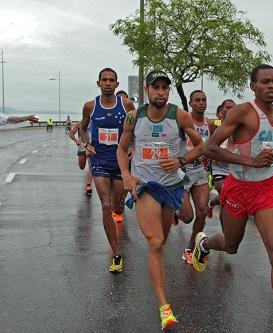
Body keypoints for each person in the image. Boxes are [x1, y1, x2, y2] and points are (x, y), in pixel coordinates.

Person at [193, 64, 273, 333]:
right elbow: (210, 148)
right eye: (265, 82)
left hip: (268, 188)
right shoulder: (242, 112)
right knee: (231, 246)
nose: (271, 86)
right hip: (238, 188)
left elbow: (270, 144)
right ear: (253, 86)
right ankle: (204, 244)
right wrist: (250, 160)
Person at [117, 70, 203, 330]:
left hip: (172, 185)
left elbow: (201, 146)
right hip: (145, 186)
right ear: (147, 90)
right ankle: (165, 306)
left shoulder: (179, 115)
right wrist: (127, 175)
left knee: (163, 240)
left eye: (165, 88)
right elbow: (122, 149)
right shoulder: (134, 117)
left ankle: (179, 223)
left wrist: (180, 160)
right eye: (156, 87)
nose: (161, 92)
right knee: (155, 243)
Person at [79, 68, 135, 273]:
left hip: (120, 161)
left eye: (112, 80)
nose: (108, 83)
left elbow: (135, 128)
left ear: (117, 84)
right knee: (105, 204)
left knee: (118, 208)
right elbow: (83, 128)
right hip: (100, 160)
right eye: (105, 80)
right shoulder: (90, 106)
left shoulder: (127, 105)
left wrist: (134, 147)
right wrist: (86, 145)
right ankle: (116, 252)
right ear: (98, 83)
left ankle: (118, 210)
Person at [176, 90, 215, 265]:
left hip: (199, 171)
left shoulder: (210, 124)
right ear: (190, 103)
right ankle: (175, 210)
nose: (201, 103)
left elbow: (212, 145)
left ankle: (190, 248)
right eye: (197, 100)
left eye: (204, 100)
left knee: (202, 211)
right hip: (182, 173)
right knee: (187, 216)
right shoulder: (183, 120)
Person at [208, 99, 236, 217]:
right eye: (227, 107)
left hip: (234, 169)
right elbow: (208, 145)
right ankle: (226, 233)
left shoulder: (240, 127)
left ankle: (211, 203)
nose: (230, 110)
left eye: (233, 107)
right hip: (219, 169)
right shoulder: (214, 125)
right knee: (227, 198)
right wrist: (214, 155)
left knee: (228, 201)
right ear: (222, 109)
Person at [68, 121, 93, 195]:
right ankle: (89, 175)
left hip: (91, 148)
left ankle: (88, 185)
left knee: (91, 166)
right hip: (81, 147)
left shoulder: (95, 122)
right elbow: (71, 134)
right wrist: (76, 141)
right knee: (82, 166)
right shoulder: (80, 123)